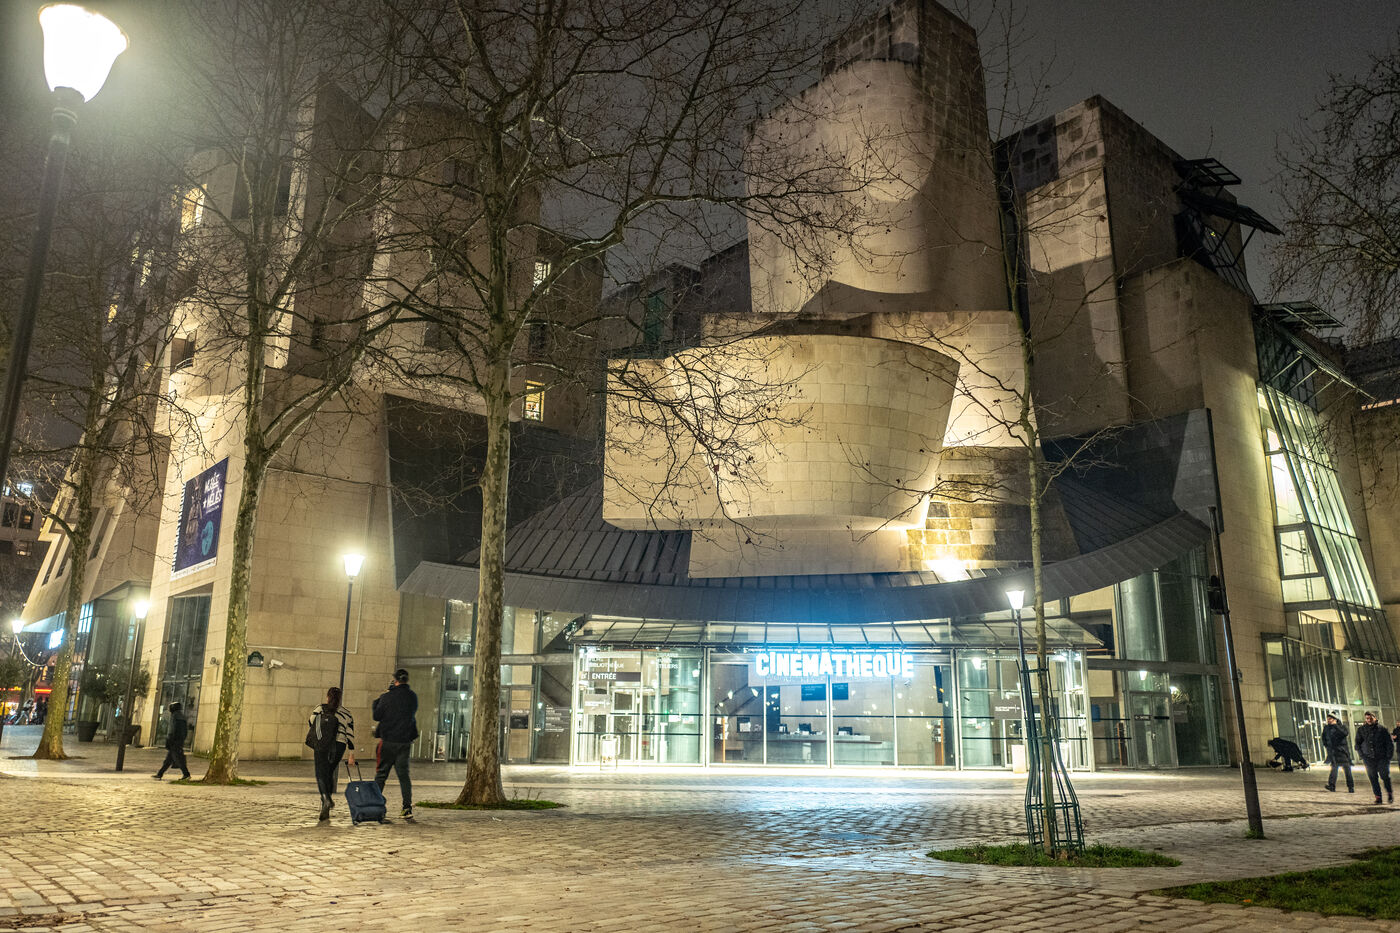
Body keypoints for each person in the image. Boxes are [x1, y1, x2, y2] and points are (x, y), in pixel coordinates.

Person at [372, 669, 418, 821]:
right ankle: (407, 807)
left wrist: (380, 698)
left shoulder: (387, 697)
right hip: (404, 742)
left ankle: (376, 807)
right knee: (404, 776)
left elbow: (376, 715)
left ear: (395, 681)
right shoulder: (412, 697)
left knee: (381, 775)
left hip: (387, 741)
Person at [308, 686, 355, 821]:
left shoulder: (320, 708)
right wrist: (351, 753)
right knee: (329, 773)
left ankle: (326, 799)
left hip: (322, 744)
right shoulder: (347, 713)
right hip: (339, 745)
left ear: (328, 697)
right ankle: (326, 808)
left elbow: (311, 722)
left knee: (320, 773)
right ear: (340, 699)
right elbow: (350, 734)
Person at [1355, 710, 1394, 804]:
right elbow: (1357, 744)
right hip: (1368, 758)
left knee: (1385, 776)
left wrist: (1388, 757)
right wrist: (1362, 755)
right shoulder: (1361, 730)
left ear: (1375, 718)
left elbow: (1389, 743)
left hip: (1382, 758)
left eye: (1370, 718)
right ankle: (1378, 797)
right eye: (1367, 718)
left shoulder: (1382, 729)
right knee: (1373, 778)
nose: (1369, 720)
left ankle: (1389, 793)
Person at [153, 702, 191, 781]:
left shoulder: (174, 716)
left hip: (174, 740)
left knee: (178, 758)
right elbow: (185, 731)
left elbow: (171, 729)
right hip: (179, 740)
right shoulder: (182, 717)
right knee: (168, 759)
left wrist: (169, 739)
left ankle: (186, 774)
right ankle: (160, 774)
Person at [1322, 712, 1354, 793]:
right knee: (1334, 768)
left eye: (1330, 719)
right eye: (1328, 719)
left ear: (1335, 719)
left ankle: (1350, 787)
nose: (1328, 720)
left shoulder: (1341, 727)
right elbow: (1324, 737)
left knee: (1347, 769)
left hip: (1342, 751)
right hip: (1333, 751)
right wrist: (1327, 745)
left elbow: (1344, 733)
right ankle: (1331, 786)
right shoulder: (1326, 728)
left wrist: (1336, 726)